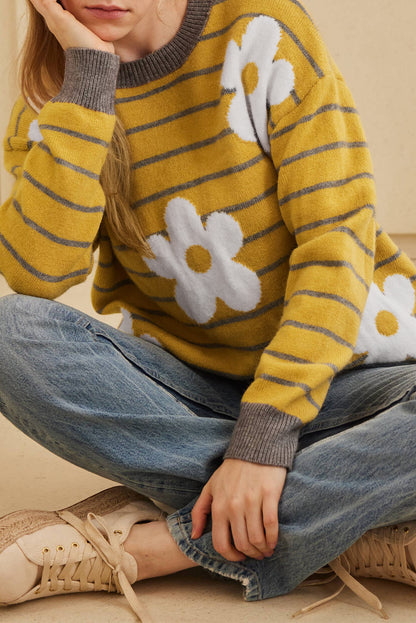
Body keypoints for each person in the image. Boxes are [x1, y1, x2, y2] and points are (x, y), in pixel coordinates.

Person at [0, 0, 416, 620]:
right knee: (10, 334)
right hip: (188, 390)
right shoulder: (55, 95)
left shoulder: (263, 33)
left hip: (348, 377)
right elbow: (36, 274)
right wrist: (88, 83)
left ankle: (161, 548)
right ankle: (346, 514)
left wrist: (264, 438)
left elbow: (335, 249)